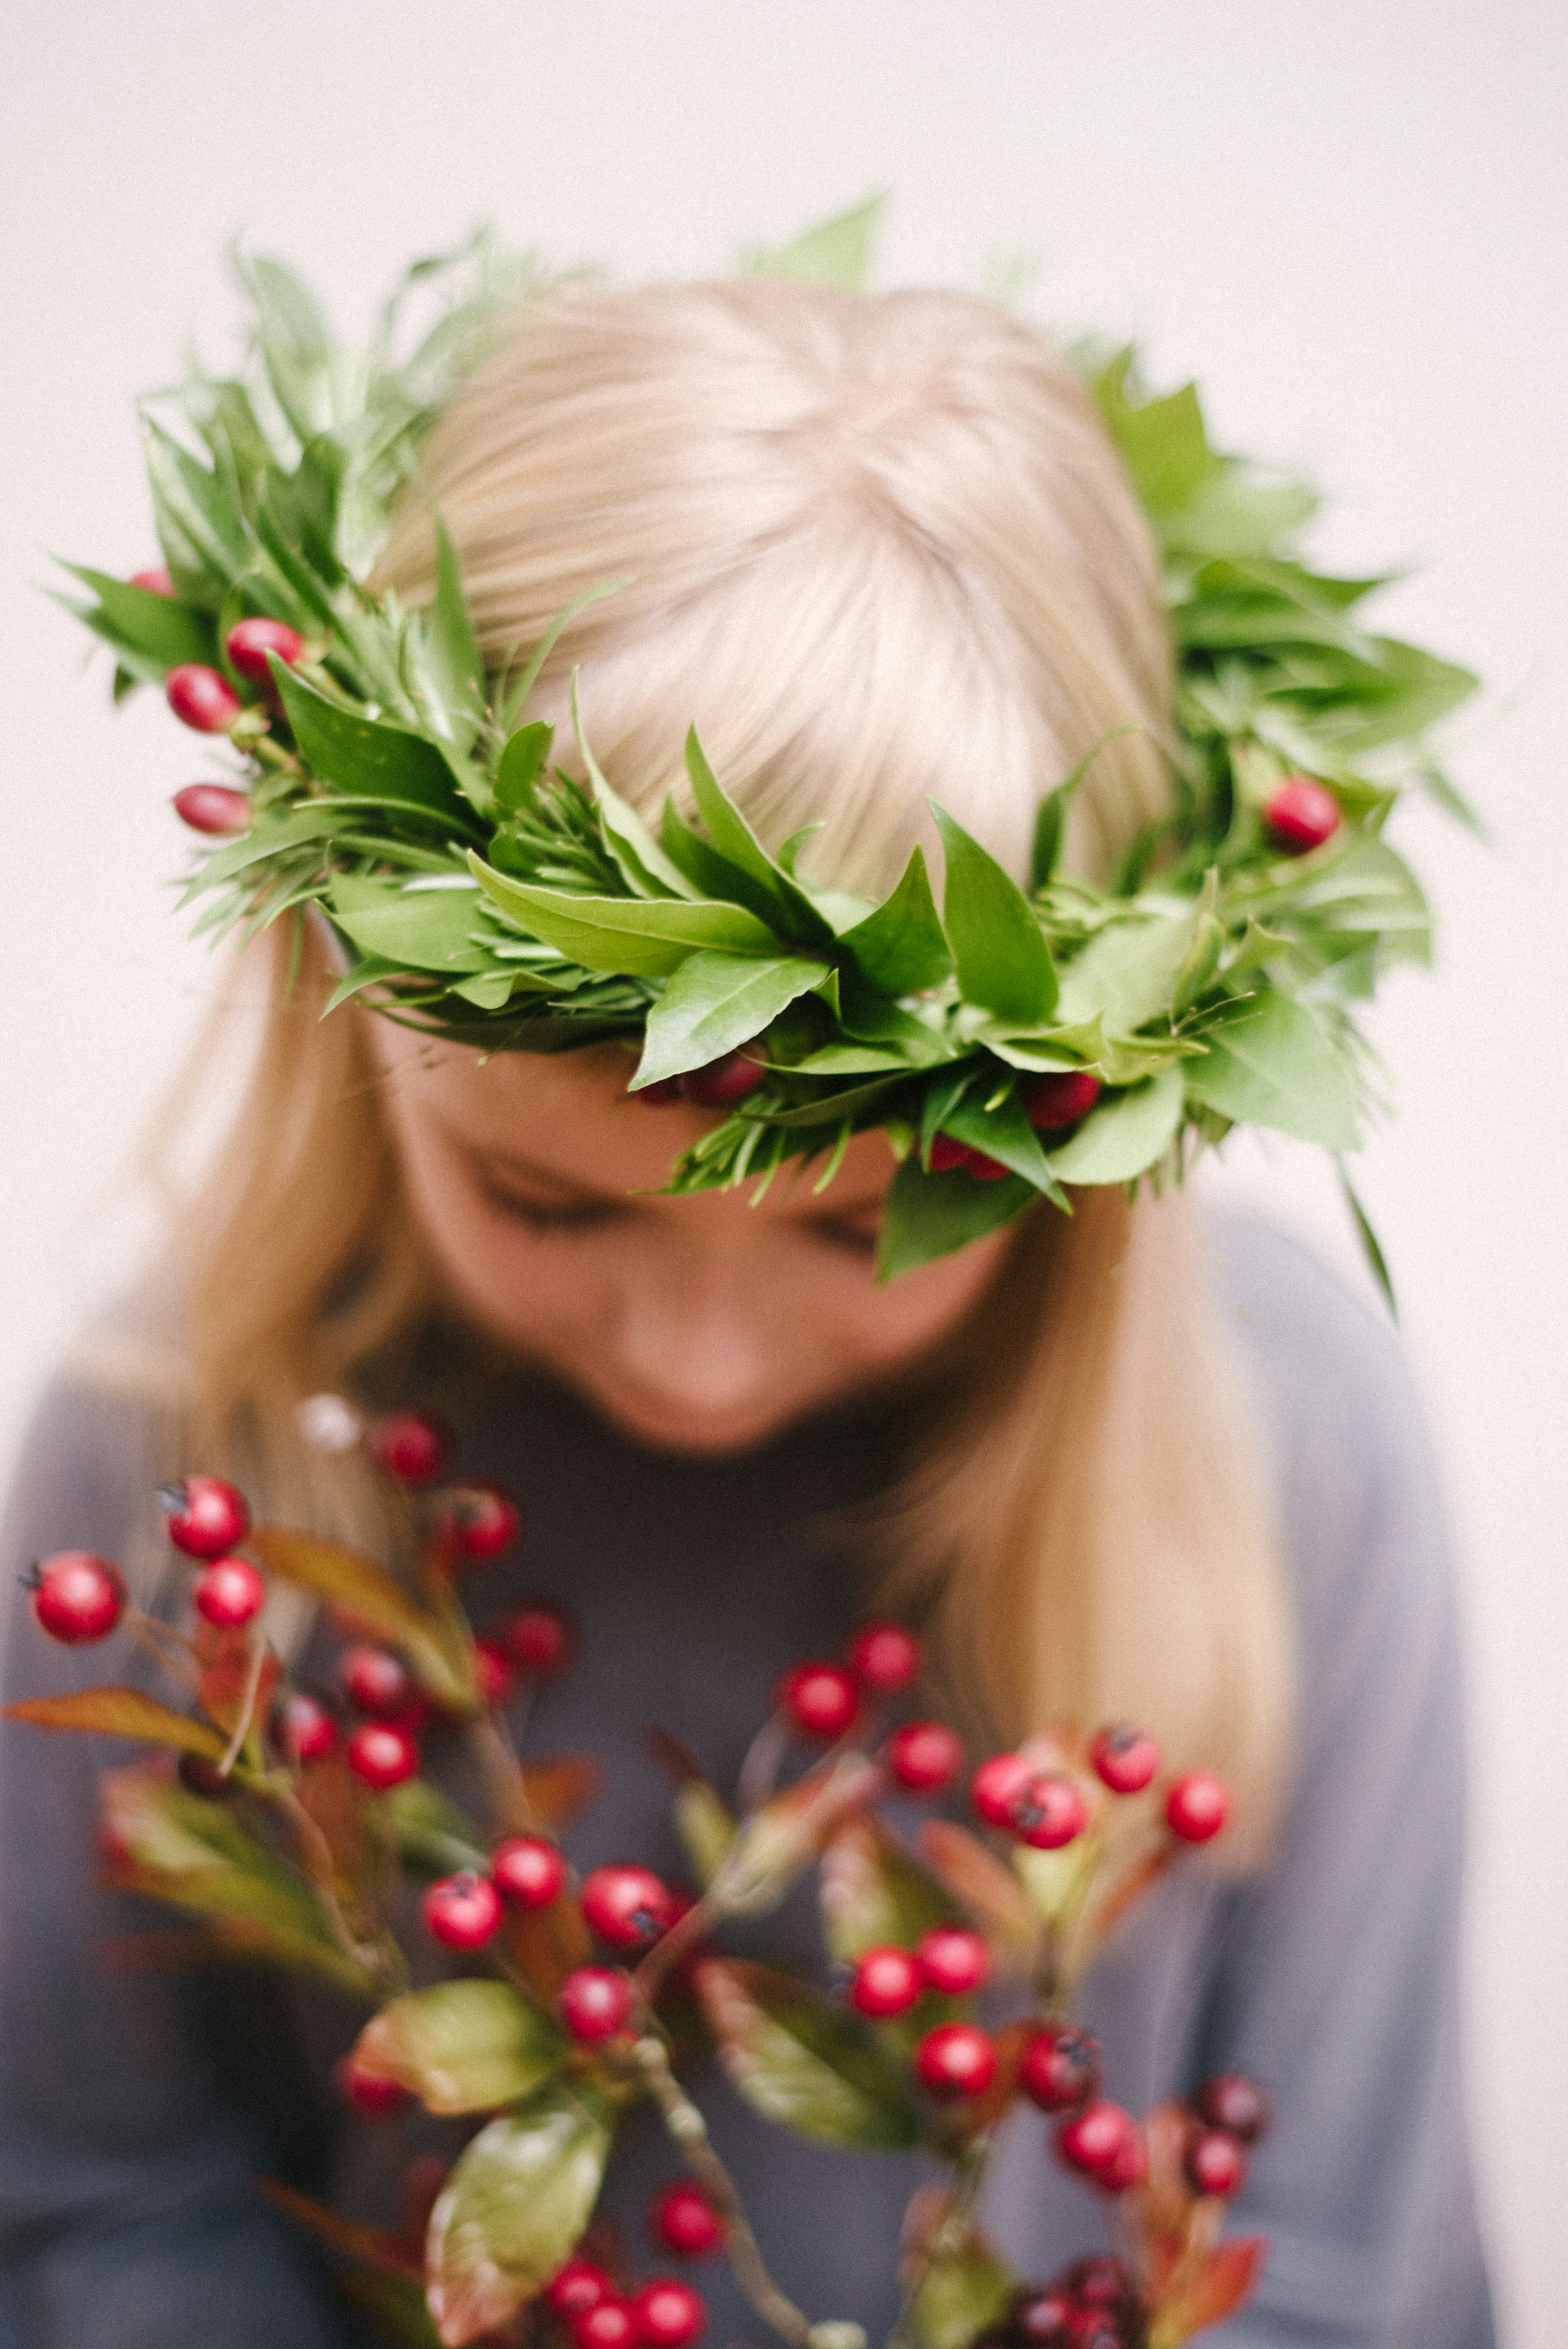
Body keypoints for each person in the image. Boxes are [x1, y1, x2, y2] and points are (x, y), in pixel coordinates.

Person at [0, 273, 1493, 2347]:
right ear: (347, 1015)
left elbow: (1348, 2271)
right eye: (541, 1198)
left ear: (1094, 1165)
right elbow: (96, 2203)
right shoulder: (184, 1461)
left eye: (868, 1228)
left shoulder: (1290, 1443)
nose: (697, 1355)